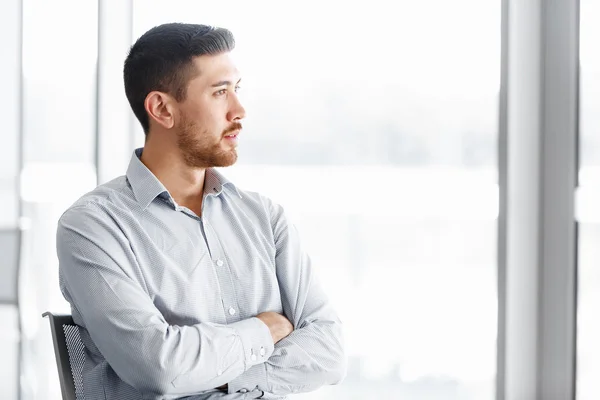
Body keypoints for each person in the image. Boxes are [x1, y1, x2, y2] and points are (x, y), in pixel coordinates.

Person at [56, 23, 346, 400]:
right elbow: (159, 368)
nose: (239, 110)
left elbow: (329, 351)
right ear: (162, 108)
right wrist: (263, 331)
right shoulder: (93, 227)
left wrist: (215, 374)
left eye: (236, 90)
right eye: (220, 93)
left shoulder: (264, 218)